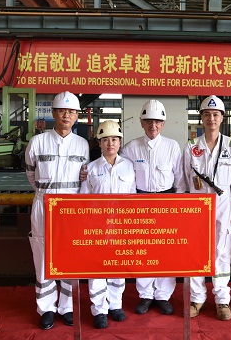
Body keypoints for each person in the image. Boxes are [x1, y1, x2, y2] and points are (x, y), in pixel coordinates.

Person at [24, 91, 89, 330]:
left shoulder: (82, 144)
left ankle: (67, 307)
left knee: (70, 256)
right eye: (62, 111)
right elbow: (31, 174)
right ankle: (47, 308)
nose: (66, 116)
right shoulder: (37, 142)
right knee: (42, 255)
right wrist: (46, 194)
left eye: (71, 112)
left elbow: (83, 177)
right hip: (44, 203)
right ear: (53, 113)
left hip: (72, 207)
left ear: (76, 116)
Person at [120, 99, 186, 316]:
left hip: (167, 202)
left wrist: (177, 205)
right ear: (141, 122)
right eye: (148, 121)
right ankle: (146, 294)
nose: (153, 125)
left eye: (157, 121)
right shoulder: (131, 148)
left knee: (166, 249)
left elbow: (180, 178)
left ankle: (163, 295)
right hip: (140, 202)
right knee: (143, 249)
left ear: (163, 124)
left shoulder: (172, 146)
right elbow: (124, 176)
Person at [183, 95, 231, 321]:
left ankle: (222, 300)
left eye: (215, 115)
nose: (211, 119)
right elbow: (183, 180)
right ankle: (197, 298)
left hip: (224, 207)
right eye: (207, 114)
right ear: (201, 118)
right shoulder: (191, 146)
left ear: (222, 118)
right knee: (197, 251)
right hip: (197, 207)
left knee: (222, 252)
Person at [81, 120, 135, 329]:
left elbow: (133, 197)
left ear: (120, 142)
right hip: (97, 227)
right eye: (105, 140)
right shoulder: (91, 169)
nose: (110, 143)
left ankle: (115, 305)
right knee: (97, 269)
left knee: (118, 266)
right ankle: (99, 310)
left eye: (114, 139)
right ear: (99, 143)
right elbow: (84, 200)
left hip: (121, 225)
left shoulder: (129, 166)